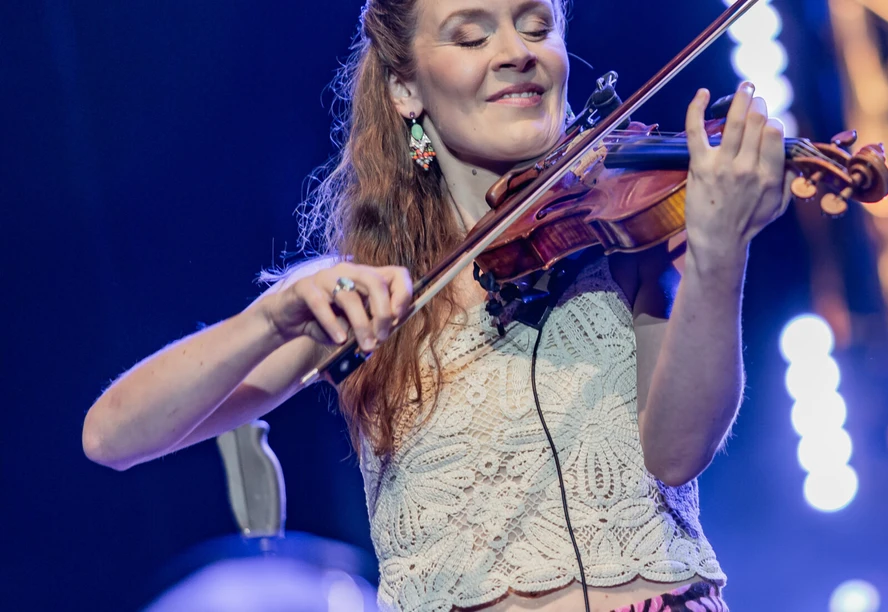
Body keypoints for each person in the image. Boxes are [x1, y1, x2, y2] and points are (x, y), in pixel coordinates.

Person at [81, 0, 790, 610]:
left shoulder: (625, 240)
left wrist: (719, 251)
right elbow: (111, 437)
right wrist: (268, 320)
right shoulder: (362, 296)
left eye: (537, 27)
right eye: (472, 36)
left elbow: (677, 452)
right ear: (405, 90)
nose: (516, 52)